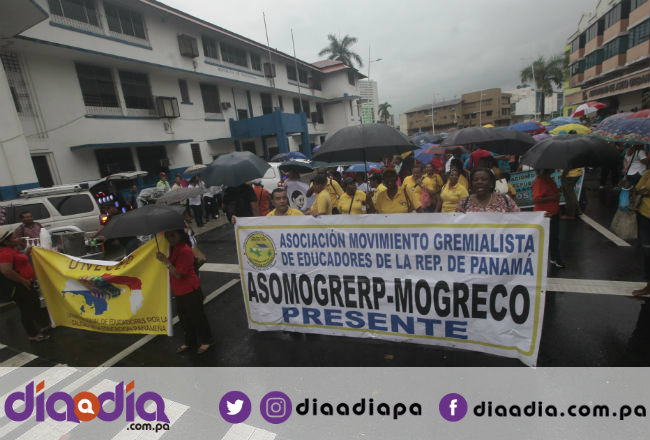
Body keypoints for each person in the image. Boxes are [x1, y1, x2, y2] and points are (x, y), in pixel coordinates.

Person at [156, 230, 212, 354]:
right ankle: (190, 341)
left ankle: (206, 340)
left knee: (197, 317)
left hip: (190, 289)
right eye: (167, 236)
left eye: (172, 235)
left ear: (180, 235)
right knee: (184, 318)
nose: (170, 238)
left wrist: (165, 261)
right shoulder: (173, 248)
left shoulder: (185, 250)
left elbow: (179, 274)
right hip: (179, 290)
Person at [0, 229, 51, 342]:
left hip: (26, 283)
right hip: (19, 286)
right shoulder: (4, 253)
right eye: (13, 238)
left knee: (34, 304)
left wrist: (26, 253)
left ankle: (43, 325)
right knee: (26, 310)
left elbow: (18, 263)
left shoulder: (11, 251)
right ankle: (33, 334)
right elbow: (6, 271)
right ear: (6, 242)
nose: (16, 239)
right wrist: (23, 281)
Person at [532, 169, 565, 269]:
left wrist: (559, 190)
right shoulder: (539, 181)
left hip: (554, 212)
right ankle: (554, 258)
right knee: (549, 237)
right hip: (545, 214)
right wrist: (553, 197)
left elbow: (551, 192)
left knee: (554, 237)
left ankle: (554, 257)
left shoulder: (549, 179)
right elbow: (536, 199)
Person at [632, 169, 650, 296]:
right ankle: (648, 286)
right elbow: (638, 188)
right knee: (647, 252)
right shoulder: (648, 173)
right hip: (644, 216)